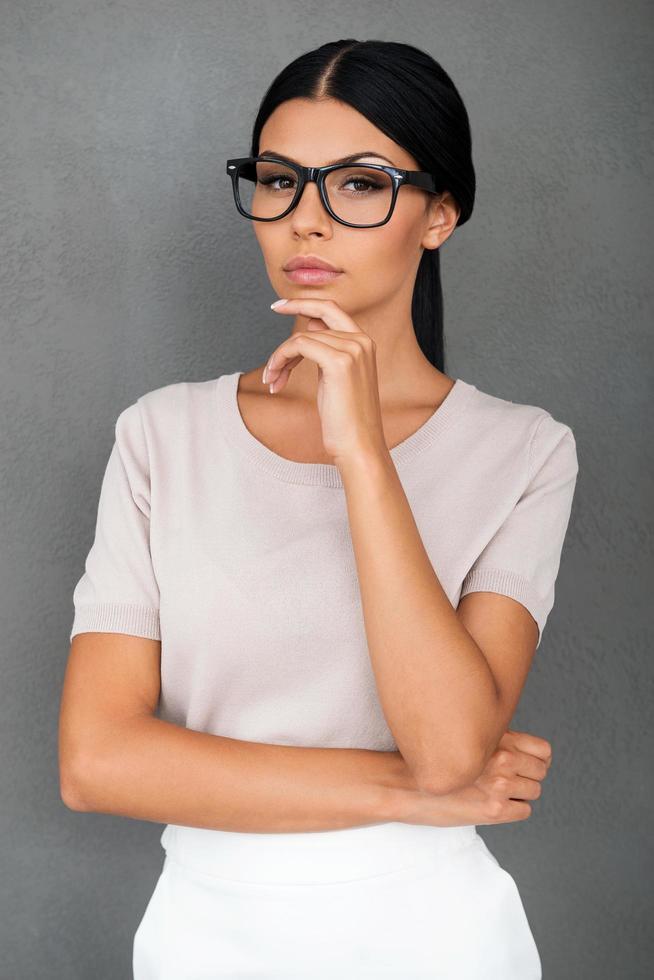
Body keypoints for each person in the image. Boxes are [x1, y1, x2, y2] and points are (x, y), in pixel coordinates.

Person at [59, 39, 579, 979]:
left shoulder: (526, 450)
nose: (307, 222)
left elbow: (451, 745)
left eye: (361, 185)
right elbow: (96, 762)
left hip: (433, 936)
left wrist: (363, 454)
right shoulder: (161, 436)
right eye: (279, 182)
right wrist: (412, 795)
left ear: (440, 214)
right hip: (202, 935)